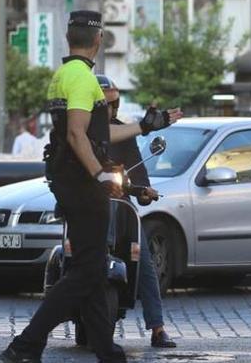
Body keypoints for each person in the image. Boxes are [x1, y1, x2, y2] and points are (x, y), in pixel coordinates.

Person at [0, 10, 182, 363]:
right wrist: (99, 173)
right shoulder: (83, 79)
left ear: (70, 39)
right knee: (86, 270)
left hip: (68, 180)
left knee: (94, 269)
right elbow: (76, 134)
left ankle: (106, 349)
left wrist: (146, 127)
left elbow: (98, 131)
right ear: (98, 40)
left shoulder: (64, 75)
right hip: (83, 185)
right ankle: (26, 344)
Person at [97, 74, 178, 349]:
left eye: (108, 105)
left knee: (144, 257)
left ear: (115, 106)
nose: (104, 110)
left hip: (120, 206)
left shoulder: (125, 134)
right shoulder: (80, 133)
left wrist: (143, 191)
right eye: (98, 105)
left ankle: (157, 327)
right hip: (87, 207)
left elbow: (138, 175)